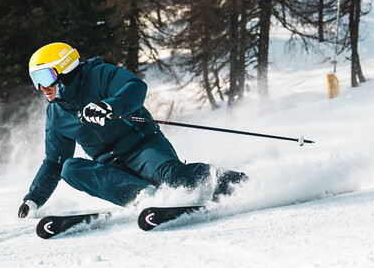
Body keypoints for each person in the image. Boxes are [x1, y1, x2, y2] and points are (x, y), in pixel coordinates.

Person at [17, 43, 245, 217]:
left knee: (173, 177)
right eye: (35, 79)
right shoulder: (56, 113)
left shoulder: (99, 75)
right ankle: (142, 195)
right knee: (70, 168)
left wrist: (109, 105)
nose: (42, 87)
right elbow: (55, 162)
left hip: (143, 146)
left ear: (65, 69)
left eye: (45, 77)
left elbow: (136, 87)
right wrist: (33, 198)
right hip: (111, 167)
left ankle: (229, 181)